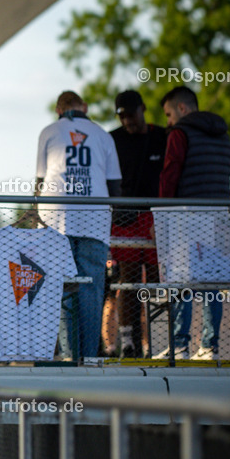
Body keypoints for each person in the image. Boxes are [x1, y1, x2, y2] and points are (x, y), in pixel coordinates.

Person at [35, 90, 122, 360]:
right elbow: (115, 184)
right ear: (84, 107)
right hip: (94, 221)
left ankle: (67, 355)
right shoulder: (103, 134)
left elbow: (38, 182)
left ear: (59, 110)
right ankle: (89, 357)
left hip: (54, 221)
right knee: (92, 289)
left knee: (56, 286)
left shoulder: (48, 131)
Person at [158, 86, 230, 360]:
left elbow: (170, 173)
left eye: (168, 114)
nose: (168, 122)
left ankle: (179, 344)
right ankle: (210, 346)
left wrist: (163, 213)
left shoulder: (180, 134)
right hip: (220, 215)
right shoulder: (224, 137)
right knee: (213, 280)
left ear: (182, 109)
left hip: (187, 215)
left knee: (182, 279)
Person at [107, 91, 166, 358]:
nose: (127, 120)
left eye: (131, 114)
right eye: (122, 116)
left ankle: (157, 339)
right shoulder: (113, 138)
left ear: (143, 108)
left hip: (156, 216)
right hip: (124, 217)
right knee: (128, 280)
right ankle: (128, 341)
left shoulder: (162, 136)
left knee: (155, 279)